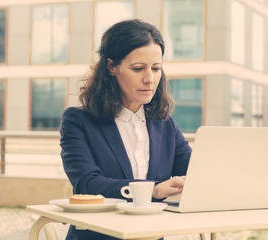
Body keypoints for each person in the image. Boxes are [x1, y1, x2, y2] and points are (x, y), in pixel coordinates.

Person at [59, 19, 192, 240]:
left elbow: (193, 173)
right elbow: (87, 183)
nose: (150, 79)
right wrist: (154, 190)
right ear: (112, 67)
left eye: (156, 68)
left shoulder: (165, 124)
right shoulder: (78, 121)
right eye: (138, 68)